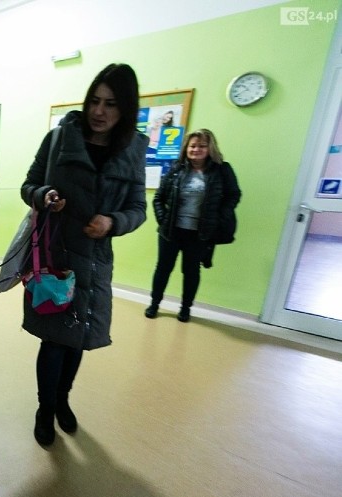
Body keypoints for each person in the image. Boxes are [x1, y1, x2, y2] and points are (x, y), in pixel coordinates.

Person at [20, 63, 148, 446]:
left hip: (94, 261)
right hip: (56, 257)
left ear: (125, 108)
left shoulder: (133, 149)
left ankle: (62, 400)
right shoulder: (59, 138)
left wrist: (113, 222)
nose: (99, 111)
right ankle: (45, 408)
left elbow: (139, 208)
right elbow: (30, 184)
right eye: (94, 101)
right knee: (54, 338)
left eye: (110, 104)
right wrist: (45, 196)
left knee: (78, 339)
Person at [145, 129, 241, 323]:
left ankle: (185, 308)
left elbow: (233, 195)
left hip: (200, 233)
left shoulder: (222, 170)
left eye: (202, 146)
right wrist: (163, 220)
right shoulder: (176, 168)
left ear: (210, 148)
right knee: (163, 268)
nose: (196, 149)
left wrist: (219, 219)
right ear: (187, 148)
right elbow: (158, 198)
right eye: (193, 145)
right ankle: (154, 304)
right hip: (171, 231)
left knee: (191, 272)